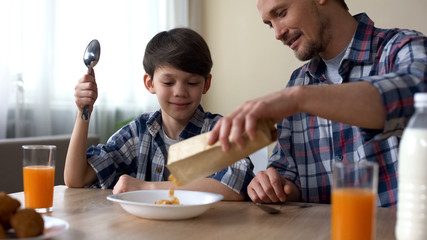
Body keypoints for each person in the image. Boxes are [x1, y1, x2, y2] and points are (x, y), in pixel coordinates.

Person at [208, 0, 427, 207]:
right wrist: (276, 186)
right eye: (269, 24)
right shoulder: (298, 82)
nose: (277, 33)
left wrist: (298, 99)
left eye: (281, 13)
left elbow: (417, 93)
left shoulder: (401, 48)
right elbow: (288, 176)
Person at [64, 28, 254, 201]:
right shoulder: (138, 133)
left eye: (192, 83)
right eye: (168, 83)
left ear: (206, 84)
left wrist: (148, 188)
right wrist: (83, 111)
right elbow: (76, 178)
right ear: (150, 83)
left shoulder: (219, 131)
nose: (180, 92)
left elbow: (233, 186)